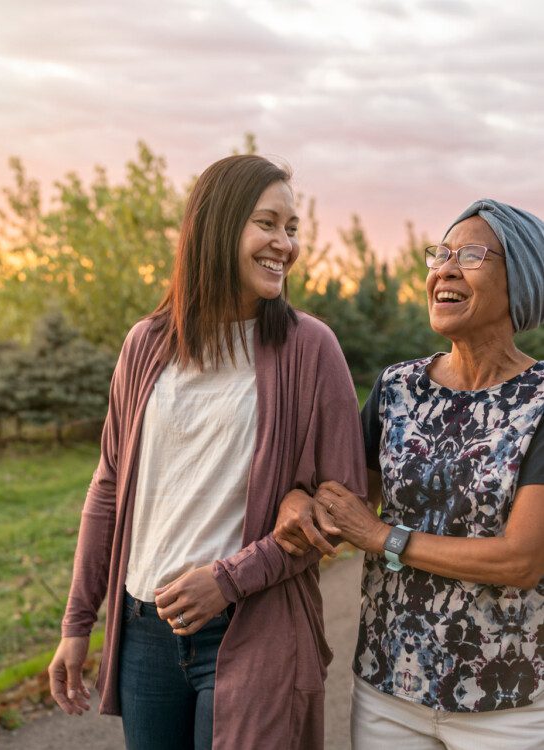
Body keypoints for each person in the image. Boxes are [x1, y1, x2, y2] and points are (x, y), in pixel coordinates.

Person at [48, 154, 367, 750]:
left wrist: (229, 579)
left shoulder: (310, 348)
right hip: (145, 629)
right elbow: (108, 487)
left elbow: (339, 507)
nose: (285, 244)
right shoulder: (147, 345)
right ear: (217, 227)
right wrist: (77, 624)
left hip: (252, 625)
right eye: (267, 223)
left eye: (292, 228)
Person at [274, 199, 544, 750]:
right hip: (387, 691)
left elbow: (522, 560)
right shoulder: (397, 388)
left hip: (510, 705)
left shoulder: (540, 400)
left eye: (470, 254)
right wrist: (298, 502)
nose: (444, 268)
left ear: (520, 281)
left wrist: (382, 537)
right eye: (440, 253)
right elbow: (343, 501)